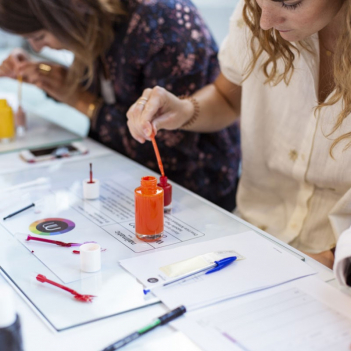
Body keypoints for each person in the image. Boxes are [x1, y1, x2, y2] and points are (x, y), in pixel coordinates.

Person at [126, 0, 349, 268]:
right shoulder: (255, 14)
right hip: (249, 234)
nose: (264, 22)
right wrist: (184, 110)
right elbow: (226, 97)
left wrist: (331, 259)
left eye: (290, 3)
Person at [0, 0, 241, 211]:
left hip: (193, 193)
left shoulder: (163, 19)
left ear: (68, 8)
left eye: (39, 37)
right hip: (124, 179)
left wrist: (80, 100)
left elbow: (165, 145)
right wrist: (46, 77)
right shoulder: (95, 20)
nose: (39, 48)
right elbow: (102, 88)